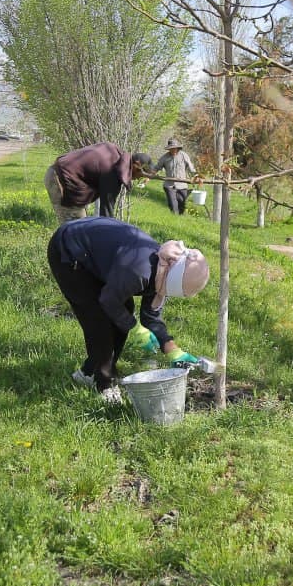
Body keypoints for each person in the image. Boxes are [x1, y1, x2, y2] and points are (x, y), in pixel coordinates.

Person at [47, 216, 209, 404]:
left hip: (96, 255)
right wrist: (135, 328)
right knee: (100, 320)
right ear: (172, 279)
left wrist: (172, 350)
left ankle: (88, 372)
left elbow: (151, 317)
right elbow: (108, 300)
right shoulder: (139, 272)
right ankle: (104, 384)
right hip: (69, 251)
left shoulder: (163, 269)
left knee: (123, 310)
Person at [43, 142, 153, 224]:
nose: (137, 178)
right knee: (74, 230)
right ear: (136, 165)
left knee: (81, 227)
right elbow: (106, 213)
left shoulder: (114, 153)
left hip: (58, 174)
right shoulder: (113, 172)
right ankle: (67, 254)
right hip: (60, 180)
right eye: (141, 175)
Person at [152, 137, 196, 214]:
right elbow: (157, 167)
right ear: (169, 149)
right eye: (171, 149)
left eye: (174, 148)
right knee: (173, 204)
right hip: (169, 185)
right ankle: (174, 216)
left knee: (182, 203)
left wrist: (196, 176)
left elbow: (190, 167)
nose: (173, 150)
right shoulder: (165, 157)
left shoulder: (183, 155)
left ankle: (181, 218)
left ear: (177, 148)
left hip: (182, 184)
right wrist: (150, 175)